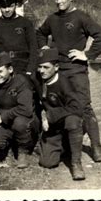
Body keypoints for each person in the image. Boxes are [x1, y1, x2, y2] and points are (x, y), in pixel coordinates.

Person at [36, 0, 101, 162]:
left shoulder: (81, 17)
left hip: (76, 70)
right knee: (62, 107)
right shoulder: (52, 19)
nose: (58, 2)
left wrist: (87, 54)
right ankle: (67, 145)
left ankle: (96, 146)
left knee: (84, 106)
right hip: (58, 73)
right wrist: (45, 47)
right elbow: (40, 33)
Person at [35, 48, 85, 180]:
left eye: (46, 67)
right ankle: (65, 145)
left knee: (73, 121)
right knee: (47, 162)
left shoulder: (64, 83)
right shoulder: (38, 79)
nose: (41, 71)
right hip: (53, 126)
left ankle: (76, 164)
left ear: (56, 67)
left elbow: (77, 107)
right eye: (39, 67)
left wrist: (49, 115)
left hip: (65, 120)